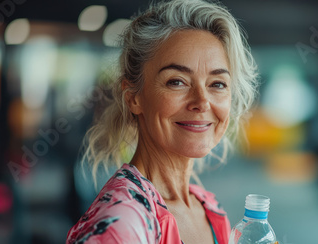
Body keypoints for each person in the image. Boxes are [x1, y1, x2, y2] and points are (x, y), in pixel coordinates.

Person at [66, 0, 258, 243]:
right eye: (176, 81)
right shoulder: (121, 224)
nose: (202, 101)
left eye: (217, 84)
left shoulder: (208, 208)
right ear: (134, 97)